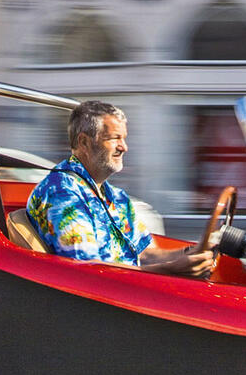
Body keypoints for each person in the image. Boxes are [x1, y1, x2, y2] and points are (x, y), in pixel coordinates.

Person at [26, 100, 215, 277]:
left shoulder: (115, 197)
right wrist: (171, 270)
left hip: (126, 292)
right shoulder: (62, 193)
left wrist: (192, 252)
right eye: (114, 138)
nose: (124, 147)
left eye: (123, 138)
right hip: (98, 303)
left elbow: (145, 254)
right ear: (84, 142)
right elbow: (87, 270)